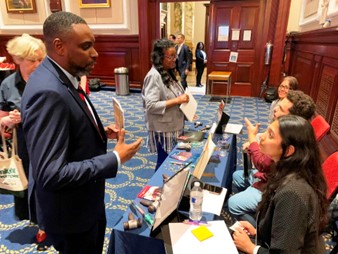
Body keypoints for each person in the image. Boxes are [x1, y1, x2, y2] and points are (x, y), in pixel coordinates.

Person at [21, 11, 142, 254]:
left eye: (93, 45)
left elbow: (66, 123)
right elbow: (51, 173)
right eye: (86, 46)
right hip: (71, 216)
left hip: (84, 203)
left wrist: (96, 131)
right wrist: (115, 158)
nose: (95, 53)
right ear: (59, 46)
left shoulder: (60, 75)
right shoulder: (48, 91)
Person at [233, 115, 328, 253]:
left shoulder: (293, 193)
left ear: (289, 151)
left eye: (270, 135)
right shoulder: (287, 169)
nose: (262, 137)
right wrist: (257, 232)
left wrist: (251, 248)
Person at [228, 90, 316, 224]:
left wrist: (253, 140)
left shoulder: (290, 146)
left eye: (280, 108)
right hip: (268, 178)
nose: (275, 109)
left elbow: (262, 163)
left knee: (232, 204)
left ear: (292, 119)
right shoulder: (292, 133)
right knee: (237, 176)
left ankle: (260, 226)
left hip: (271, 186)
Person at [0, 33, 48, 251]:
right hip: (25, 145)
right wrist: (8, 120)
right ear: (19, 59)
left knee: (49, 183)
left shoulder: (49, 78)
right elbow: (1, 118)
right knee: (31, 184)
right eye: (32, 60)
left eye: (40, 59)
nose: (38, 64)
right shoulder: (8, 84)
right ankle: (41, 225)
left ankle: (50, 222)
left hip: (49, 141)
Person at [142, 39, 189, 171]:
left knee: (172, 162)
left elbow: (175, 95)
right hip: (164, 128)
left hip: (174, 124)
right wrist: (178, 100)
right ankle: (159, 189)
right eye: (171, 56)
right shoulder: (153, 76)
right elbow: (150, 105)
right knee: (164, 164)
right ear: (160, 57)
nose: (175, 59)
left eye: (176, 55)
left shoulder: (168, 71)